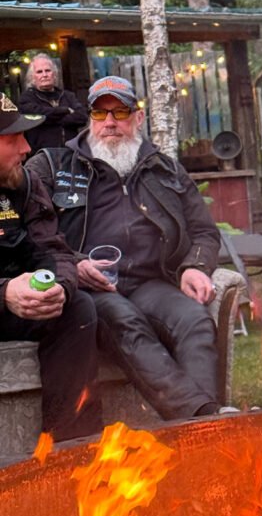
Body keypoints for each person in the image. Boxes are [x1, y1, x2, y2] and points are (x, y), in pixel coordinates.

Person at [27, 75, 225, 422]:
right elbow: (32, 234)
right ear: (89, 118)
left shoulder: (165, 169)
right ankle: (205, 419)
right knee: (125, 320)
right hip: (93, 286)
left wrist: (195, 266)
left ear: (138, 117)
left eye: (120, 112)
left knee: (195, 320)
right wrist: (74, 265)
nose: (110, 122)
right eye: (100, 114)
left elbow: (205, 232)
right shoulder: (54, 167)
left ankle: (199, 427)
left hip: (152, 283)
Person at [0, 93, 99, 441]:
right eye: (13, 139)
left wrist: (59, 286)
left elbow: (52, 248)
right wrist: (3, 293)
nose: (26, 148)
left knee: (78, 308)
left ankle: (70, 445)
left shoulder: (24, 184)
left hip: (17, 303)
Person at [17, 54, 88, 152]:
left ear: (54, 74)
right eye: (39, 72)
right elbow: (34, 116)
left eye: (48, 70)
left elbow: (82, 117)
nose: (44, 75)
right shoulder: (27, 98)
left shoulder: (68, 96)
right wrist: (64, 110)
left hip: (70, 153)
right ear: (32, 77)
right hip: (42, 155)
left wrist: (48, 119)